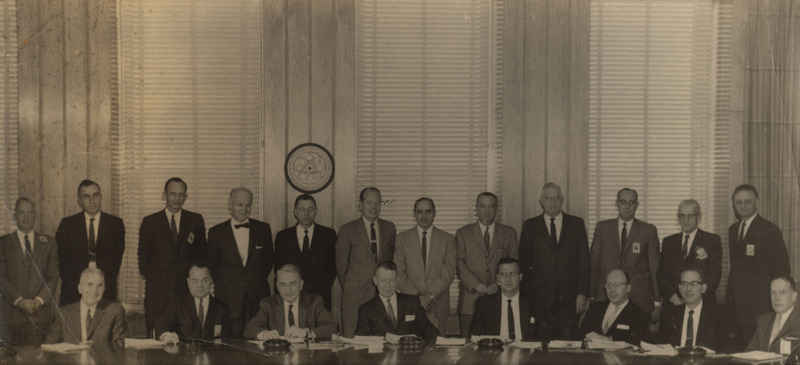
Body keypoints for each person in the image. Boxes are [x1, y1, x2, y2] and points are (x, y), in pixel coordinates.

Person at [519, 183, 589, 340]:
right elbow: (524, 264)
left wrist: (582, 293)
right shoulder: (530, 226)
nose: (553, 202)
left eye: (556, 197)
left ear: (562, 199)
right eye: (548, 198)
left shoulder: (576, 224)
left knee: (567, 346)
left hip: (569, 299)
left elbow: (584, 262)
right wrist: (526, 299)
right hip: (539, 300)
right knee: (540, 346)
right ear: (541, 201)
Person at [138, 177, 207, 336]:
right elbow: (143, 257)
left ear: (186, 197)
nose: (177, 198)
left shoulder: (195, 220)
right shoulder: (150, 222)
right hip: (158, 293)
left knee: (187, 338)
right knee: (156, 338)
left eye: (181, 195)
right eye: (173, 194)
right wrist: (157, 278)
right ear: (164, 195)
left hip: (186, 292)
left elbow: (201, 255)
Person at [727, 184, 790, 345]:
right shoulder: (733, 230)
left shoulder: (769, 230)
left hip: (761, 309)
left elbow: (782, 271)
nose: (743, 206)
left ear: (757, 203)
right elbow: (735, 269)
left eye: (747, 201)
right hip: (737, 309)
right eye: (738, 202)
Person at [207, 187, 274, 337]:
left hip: (257, 298)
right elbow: (212, 266)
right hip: (228, 300)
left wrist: (252, 280)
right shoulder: (216, 232)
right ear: (230, 205)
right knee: (231, 348)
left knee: (258, 343)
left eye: (248, 205)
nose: (244, 209)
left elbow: (268, 262)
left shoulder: (263, 229)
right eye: (239, 204)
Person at [590, 188, 661, 322]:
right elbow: (594, 264)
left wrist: (657, 301)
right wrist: (591, 296)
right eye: (623, 202)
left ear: (637, 205)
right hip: (606, 297)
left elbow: (654, 268)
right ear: (616, 203)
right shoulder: (602, 228)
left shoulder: (648, 230)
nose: (627, 206)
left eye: (631, 202)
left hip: (638, 299)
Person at [456, 192, 519, 338]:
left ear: (496, 208)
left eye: (491, 207)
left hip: (500, 296)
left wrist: (496, 285)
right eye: (483, 206)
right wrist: (477, 285)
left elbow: (514, 264)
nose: (486, 211)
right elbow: (459, 264)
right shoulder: (463, 233)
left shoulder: (509, 233)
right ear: (476, 208)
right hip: (470, 299)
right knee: (469, 349)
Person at [336, 187, 396, 338]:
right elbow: (341, 266)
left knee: (381, 339)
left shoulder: (389, 228)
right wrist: (351, 286)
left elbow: (390, 262)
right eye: (369, 202)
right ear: (360, 205)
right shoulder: (347, 230)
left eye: (377, 203)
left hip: (382, 295)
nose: (373, 207)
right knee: (353, 340)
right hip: (355, 296)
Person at [56, 179, 125, 306]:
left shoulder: (115, 225)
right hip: (74, 291)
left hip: (105, 291)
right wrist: (81, 284)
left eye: (95, 195)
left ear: (101, 197)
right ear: (79, 201)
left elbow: (115, 263)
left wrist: (98, 285)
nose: (92, 201)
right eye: (86, 197)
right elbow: (61, 262)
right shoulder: (67, 225)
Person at [0, 198, 59, 345]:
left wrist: (38, 301)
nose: (26, 217)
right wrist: (19, 301)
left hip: (40, 318)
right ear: (14, 216)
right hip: (11, 318)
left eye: (30, 213)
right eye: (21, 212)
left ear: (35, 215)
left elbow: (53, 278)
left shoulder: (49, 243)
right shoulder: (3, 243)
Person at [395, 197, 456, 332]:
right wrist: (418, 298)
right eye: (419, 212)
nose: (424, 216)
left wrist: (430, 296)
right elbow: (399, 273)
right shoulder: (401, 239)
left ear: (434, 213)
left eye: (428, 212)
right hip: (411, 304)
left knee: (439, 350)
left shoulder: (448, 239)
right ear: (414, 213)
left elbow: (449, 272)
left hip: (438, 306)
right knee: (410, 349)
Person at [657, 200, 722, 316]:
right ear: (678, 218)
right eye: (682, 216)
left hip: (702, 306)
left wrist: (693, 301)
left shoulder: (712, 241)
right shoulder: (668, 242)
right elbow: (661, 276)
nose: (686, 220)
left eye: (690, 215)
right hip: (673, 305)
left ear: (699, 216)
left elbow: (714, 276)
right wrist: (674, 298)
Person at [273, 194, 337, 311]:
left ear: (316, 211)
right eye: (302, 209)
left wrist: (321, 286)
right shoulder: (283, 236)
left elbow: (333, 267)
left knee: (319, 327)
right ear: (295, 212)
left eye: (310, 209)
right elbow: (278, 267)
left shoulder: (328, 235)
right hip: (291, 296)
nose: (306, 213)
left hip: (320, 296)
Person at [244, 264, 337, 340]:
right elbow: (249, 329)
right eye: (283, 284)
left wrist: (306, 332)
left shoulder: (314, 302)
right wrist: (264, 334)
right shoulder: (268, 304)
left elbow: (332, 327)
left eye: (292, 284)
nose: (288, 290)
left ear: (301, 285)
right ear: (277, 286)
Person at [355, 261, 439, 344]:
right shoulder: (366, 310)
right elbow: (361, 341)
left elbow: (429, 330)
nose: (388, 285)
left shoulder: (412, 302)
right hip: (381, 356)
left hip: (411, 355)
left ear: (397, 281)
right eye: (383, 280)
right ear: (375, 281)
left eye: (391, 280)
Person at [657, 269, 739, 353]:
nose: (688, 289)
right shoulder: (670, 314)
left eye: (693, 284)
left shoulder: (720, 314)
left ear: (703, 288)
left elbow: (730, 348)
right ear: (680, 288)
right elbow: (662, 348)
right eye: (684, 284)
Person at [46, 268, 128, 345]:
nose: (94, 290)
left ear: (104, 289)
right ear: (80, 288)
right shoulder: (64, 313)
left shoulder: (115, 311)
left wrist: (96, 350)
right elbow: (50, 344)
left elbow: (119, 347)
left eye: (99, 285)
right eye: (90, 284)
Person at [155, 262, 232, 343]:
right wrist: (167, 336)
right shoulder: (177, 304)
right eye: (194, 281)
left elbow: (227, 339)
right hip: (184, 354)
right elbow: (162, 324)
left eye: (204, 280)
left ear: (211, 281)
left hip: (212, 354)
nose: (200, 285)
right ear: (188, 282)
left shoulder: (222, 308)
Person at [469, 258, 538, 341]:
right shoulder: (484, 304)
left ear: (520, 277)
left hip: (526, 352)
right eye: (503, 274)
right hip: (494, 352)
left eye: (512, 274)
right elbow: (475, 337)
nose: (508, 279)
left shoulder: (535, 304)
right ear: (498, 278)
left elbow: (543, 338)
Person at [579, 269, 648, 345]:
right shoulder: (595, 308)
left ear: (628, 287)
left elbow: (635, 343)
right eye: (608, 285)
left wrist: (608, 340)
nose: (612, 289)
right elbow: (580, 336)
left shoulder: (639, 315)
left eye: (617, 285)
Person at [745, 276, 800, 353]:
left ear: (794, 296)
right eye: (773, 293)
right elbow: (750, 352)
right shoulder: (764, 321)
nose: (776, 298)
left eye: (782, 292)